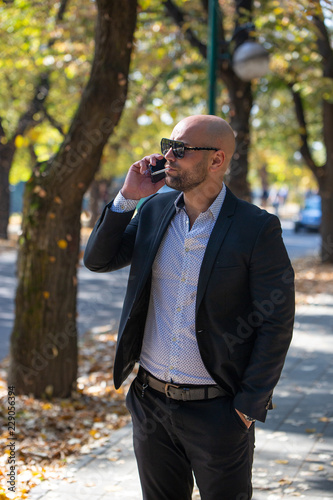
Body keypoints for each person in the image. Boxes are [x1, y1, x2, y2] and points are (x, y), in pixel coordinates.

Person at [84, 115, 295, 500]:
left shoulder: (256, 227)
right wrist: (129, 196)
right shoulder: (154, 211)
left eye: (180, 150)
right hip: (151, 404)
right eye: (168, 145)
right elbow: (98, 259)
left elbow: (275, 322)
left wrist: (247, 406)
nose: (168, 156)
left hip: (219, 412)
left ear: (216, 160)